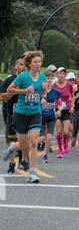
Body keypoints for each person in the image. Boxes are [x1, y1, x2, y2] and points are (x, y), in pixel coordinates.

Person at [7, 50, 47, 183]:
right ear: (29, 63)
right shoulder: (23, 76)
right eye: (35, 62)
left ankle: (32, 171)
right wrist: (24, 91)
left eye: (39, 62)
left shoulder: (42, 77)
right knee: (23, 144)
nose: (38, 64)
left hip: (35, 113)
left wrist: (44, 95)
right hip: (21, 114)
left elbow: (42, 93)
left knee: (34, 142)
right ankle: (13, 148)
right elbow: (10, 90)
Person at [1, 57, 26, 173]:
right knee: (13, 140)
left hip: (27, 114)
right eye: (20, 64)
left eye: (25, 64)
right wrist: (15, 90)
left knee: (26, 140)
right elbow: (2, 97)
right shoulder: (9, 80)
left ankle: (23, 160)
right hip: (13, 114)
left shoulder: (30, 80)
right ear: (16, 66)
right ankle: (12, 164)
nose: (23, 67)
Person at [39, 71, 62, 163]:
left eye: (50, 78)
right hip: (40, 116)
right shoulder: (40, 91)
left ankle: (45, 155)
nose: (49, 80)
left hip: (51, 117)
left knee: (49, 137)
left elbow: (60, 101)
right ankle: (34, 147)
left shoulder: (55, 91)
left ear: (53, 79)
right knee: (40, 137)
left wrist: (59, 110)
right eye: (47, 78)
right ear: (44, 79)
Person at [52, 67, 74, 158]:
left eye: (63, 73)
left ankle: (65, 143)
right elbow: (51, 97)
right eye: (60, 73)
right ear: (57, 75)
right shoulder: (54, 85)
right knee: (59, 131)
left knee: (66, 132)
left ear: (65, 75)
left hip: (67, 109)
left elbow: (72, 96)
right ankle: (60, 150)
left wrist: (72, 106)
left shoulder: (69, 84)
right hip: (57, 110)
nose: (61, 75)